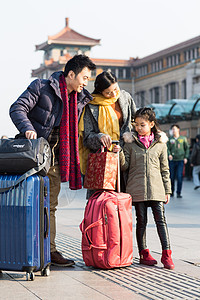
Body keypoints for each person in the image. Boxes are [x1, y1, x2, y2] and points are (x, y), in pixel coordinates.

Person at [9, 54, 96, 267]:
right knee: (27, 204)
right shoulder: (41, 87)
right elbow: (17, 108)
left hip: (56, 161)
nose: (86, 82)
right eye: (84, 77)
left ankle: (50, 251)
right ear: (71, 74)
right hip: (33, 157)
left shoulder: (81, 99)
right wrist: (28, 128)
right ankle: (23, 249)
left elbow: (88, 127)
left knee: (51, 206)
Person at [114, 107, 174, 270]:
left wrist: (167, 190)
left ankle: (166, 254)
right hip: (137, 188)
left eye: (142, 124)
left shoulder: (161, 144)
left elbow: (165, 169)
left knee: (161, 221)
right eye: (136, 125)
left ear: (151, 124)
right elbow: (124, 166)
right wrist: (119, 152)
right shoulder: (130, 143)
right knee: (141, 222)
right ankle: (143, 253)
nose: (139, 128)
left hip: (157, 189)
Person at [78, 71, 136, 194]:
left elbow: (135, 121)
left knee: (123, 200)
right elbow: (87, 137)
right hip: (102, 160)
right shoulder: (91, 105)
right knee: (102, 201)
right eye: (108, 92)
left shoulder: (125, 97)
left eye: (115, 88)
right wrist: (100, 137)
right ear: (100, 92)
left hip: (124, 155)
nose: (114, 94)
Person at [167, 124, 189, 198]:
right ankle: (172, 191)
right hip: (172, 161)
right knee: (172, 177)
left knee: (179, 176)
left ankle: (179, 192)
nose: (173, 130)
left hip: (180, 160)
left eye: (174, 129)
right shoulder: (170, 139)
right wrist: (169, 154)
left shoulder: (183, 139)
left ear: (178, 129)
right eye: (172, 129)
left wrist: (186, 157)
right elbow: (167, 148)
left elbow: (187, 148)